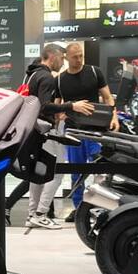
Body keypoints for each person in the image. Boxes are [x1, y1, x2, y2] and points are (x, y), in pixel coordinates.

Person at [22, 44, 95, 229]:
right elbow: (44, 106)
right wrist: (71, 106)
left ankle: (33, 214)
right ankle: (41, 213)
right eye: (62, 58)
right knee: (56, 172)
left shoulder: (32, 74)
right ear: (52, 56)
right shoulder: (46, 77)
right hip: (44, 130)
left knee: (37, 173)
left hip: (33, 129)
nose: (63, 62)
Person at [57, 42, 119, 216]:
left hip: (95, 130)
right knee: (76, 172)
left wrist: (114, 116)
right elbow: (56, 106)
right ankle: (79, 210)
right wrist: (62, 114)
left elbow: (108, 97)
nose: (79, 59)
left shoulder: (94, 72)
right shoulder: (60, 80)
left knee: (100, 168)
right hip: (73, 131)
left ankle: (102, 205)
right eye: (75, 57)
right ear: (66, 57)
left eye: (81, 56)